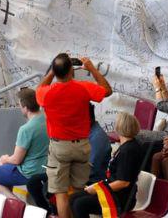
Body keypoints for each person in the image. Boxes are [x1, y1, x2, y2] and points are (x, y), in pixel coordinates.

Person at [36, 54, 113, 218]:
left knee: (61, 193)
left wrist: (52, 72)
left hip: (59, 147)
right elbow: (107, 90)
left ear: (55, 72)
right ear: (72, 70)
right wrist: (92, 69)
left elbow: (39, 89)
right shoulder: (83, 87)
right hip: (82, 145)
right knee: (78, 192)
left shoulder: (47, 93)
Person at [26, 104, 111, 212]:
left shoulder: (97, 138)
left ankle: (57, 211)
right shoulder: (83, 132)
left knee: (51, 186)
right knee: (34, 182)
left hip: (90, 180)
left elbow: (89, 169)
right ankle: (48, 213)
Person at [69, 113, 144, 218]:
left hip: (120, 198)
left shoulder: (128, 151)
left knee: (79, 204)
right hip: (114, 192)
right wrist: (96, 187)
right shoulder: (127, 146)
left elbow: (123, 182)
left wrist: (97, 189)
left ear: (118, 128)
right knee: (74, 198)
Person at [0, 88, 50, 197]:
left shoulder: (26, 129)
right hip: (44, 167)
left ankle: (16, 204)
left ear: (25, 108)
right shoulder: (47, 119)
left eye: (20, 105)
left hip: (28, 172)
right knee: (3, 169)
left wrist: (4, 158)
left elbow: (16, 160)